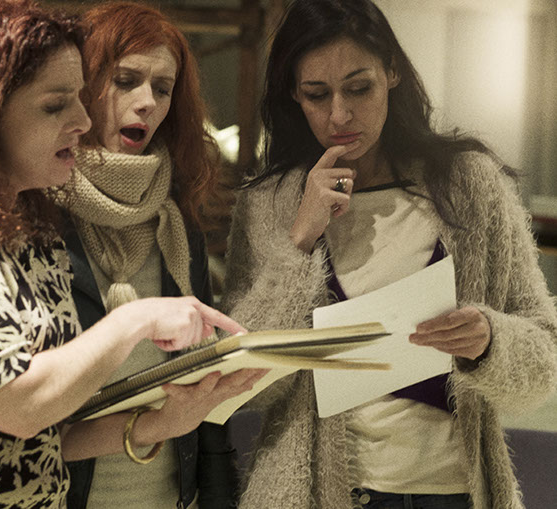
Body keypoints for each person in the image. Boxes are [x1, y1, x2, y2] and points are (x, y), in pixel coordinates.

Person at [0, 0, 259, 506]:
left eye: (80, 99)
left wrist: (163, 422)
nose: (83, 120)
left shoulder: (27, 226)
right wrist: (136, 320)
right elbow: (20, 404)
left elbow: (47, 436)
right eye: (56, 104)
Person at [221, 0, 557, 508]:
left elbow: (543, 362)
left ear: (392, 72)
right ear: (293, 94)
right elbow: (243, 383)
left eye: (359, 88)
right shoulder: (270, 203)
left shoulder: (469, 185)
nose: (340, 115)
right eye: (317, 95)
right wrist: (299, 242)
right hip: (316, 494)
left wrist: (490, 340)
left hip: (451, 491)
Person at [57, 3, 247, 508]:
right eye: (126, 80)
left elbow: (204, 383)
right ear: (83, 85)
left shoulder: (174, 219)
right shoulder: (40, 211)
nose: (146, 102)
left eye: (162, 89)